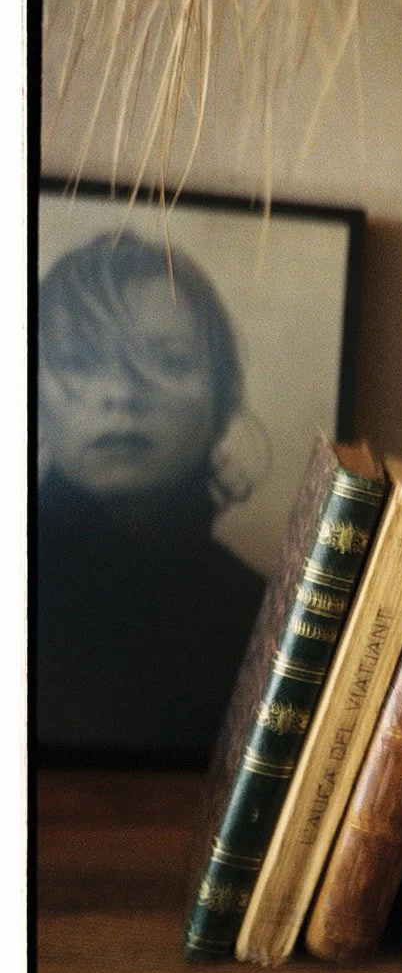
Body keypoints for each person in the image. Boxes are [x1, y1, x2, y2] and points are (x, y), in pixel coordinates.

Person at [36, 230, 266, 767]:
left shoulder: (264, 621)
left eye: (168, 361)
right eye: (81, 360)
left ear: (224, 397)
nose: (122, 393)